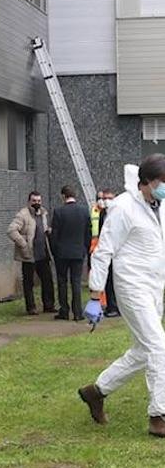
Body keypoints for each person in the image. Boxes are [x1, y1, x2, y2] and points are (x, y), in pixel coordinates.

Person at [78, 155, 165, 438]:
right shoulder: (124, 208)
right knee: (159, 348)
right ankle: (158, 416)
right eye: (161, 182)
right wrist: (95, 294)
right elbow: (103, 251)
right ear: (145, 183)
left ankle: (97, 391)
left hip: (154, 287)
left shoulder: (160, 206)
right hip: (131, 287)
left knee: (144, 351)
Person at [7, 191, 55, 316]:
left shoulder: (44, 213)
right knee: (29, 283)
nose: (37, 203)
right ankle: (31, 308)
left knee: (47, 280)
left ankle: (49, 305)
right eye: (34, 201)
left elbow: (42, 229)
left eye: (39, 201)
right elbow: (11, 230)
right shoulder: (23, 214)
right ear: (29, 201)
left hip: (43, 253)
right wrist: (23, 244)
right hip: (29, 254)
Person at [50, 185, 91, 321]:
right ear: (75, 195)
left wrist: (54, 251)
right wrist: (85, 249)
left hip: (62, 252)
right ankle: (78, 312)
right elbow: (88, 233)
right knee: (76, 281)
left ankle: (64, 310)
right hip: (78, 252)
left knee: (62, 282)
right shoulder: (84, 211)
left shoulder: (58, 211)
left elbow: (54, 235)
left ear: (63, 196)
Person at [98, 188, 120, 318]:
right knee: (108, 280)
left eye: (109, 198)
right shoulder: (101, 213)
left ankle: (115, 307)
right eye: (104, 198)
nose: (106, 201)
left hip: (117, 253)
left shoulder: (119, 213)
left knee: (115, 281)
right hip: (106, 251)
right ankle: (111, 306)